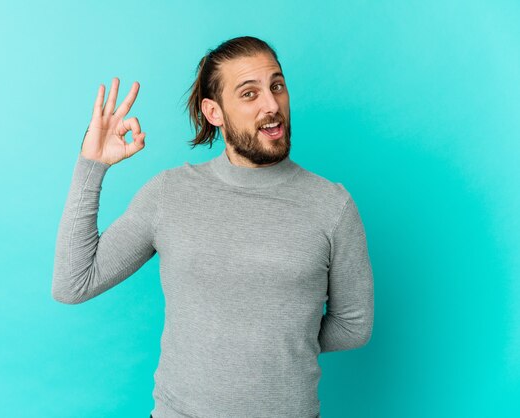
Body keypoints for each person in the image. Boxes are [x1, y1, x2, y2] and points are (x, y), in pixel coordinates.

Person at [52, 36, 374, 418]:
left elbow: (354, 326)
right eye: (249, 94)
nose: (272, 105)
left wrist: (279, 336)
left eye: (277, 86)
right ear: (214, 112)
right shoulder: (169, 193)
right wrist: (93, 164)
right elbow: (74, 283)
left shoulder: (332, 205)